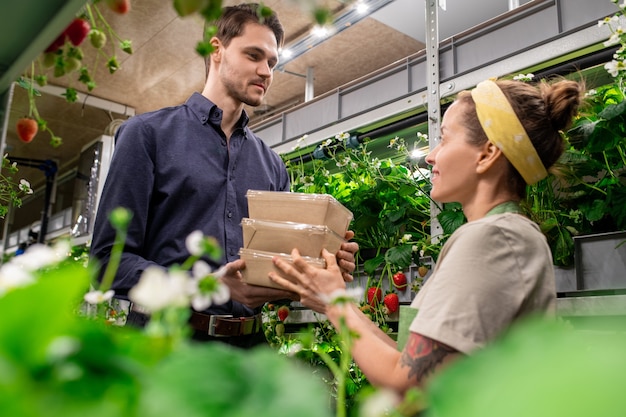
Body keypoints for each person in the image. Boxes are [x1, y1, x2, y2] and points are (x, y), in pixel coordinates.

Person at [269, 78, 584, 391]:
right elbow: (408, 361)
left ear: (487, 153)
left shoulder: (495, 238)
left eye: (445, 139)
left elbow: (409, 384)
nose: (431, 156)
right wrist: (329, 302)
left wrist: (336, 303)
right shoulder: (501, 233)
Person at [89, 3, 358, 348]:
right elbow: (107, 262)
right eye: (253, 55)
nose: (266, 71)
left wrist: (323, 263)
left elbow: (274, 274)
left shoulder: (272, 165)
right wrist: (204, 284)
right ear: (217, 50)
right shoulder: (147, 135)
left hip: (249, 347)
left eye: (272, 62)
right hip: (168, 343)